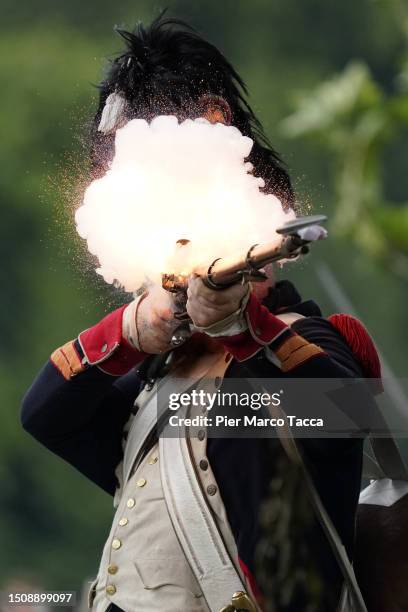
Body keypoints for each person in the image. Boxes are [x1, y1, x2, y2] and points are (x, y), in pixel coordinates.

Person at [21, 14, 379, 612]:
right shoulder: (158, 382)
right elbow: (44, 415)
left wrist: (241, 326)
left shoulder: (308, 343)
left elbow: (342, 410)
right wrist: (137, 329)